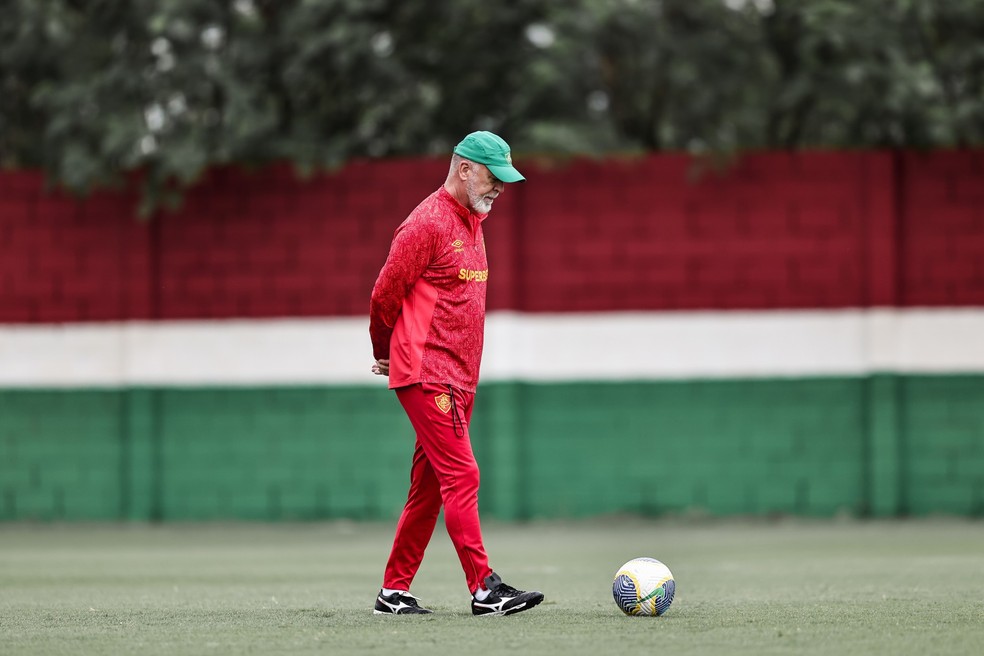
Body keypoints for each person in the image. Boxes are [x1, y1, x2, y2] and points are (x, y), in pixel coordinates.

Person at [368, 131, 544, 616]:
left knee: (427, 490)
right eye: (493, 177)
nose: (500, 188)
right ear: (464, 168)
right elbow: (384, 295)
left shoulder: (472, 220)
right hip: (427, 372)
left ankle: (393, 592)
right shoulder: (425, 224)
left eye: (506, 180)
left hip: (460, 378)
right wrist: (385, 350)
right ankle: (484, 588)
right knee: (463, 473)